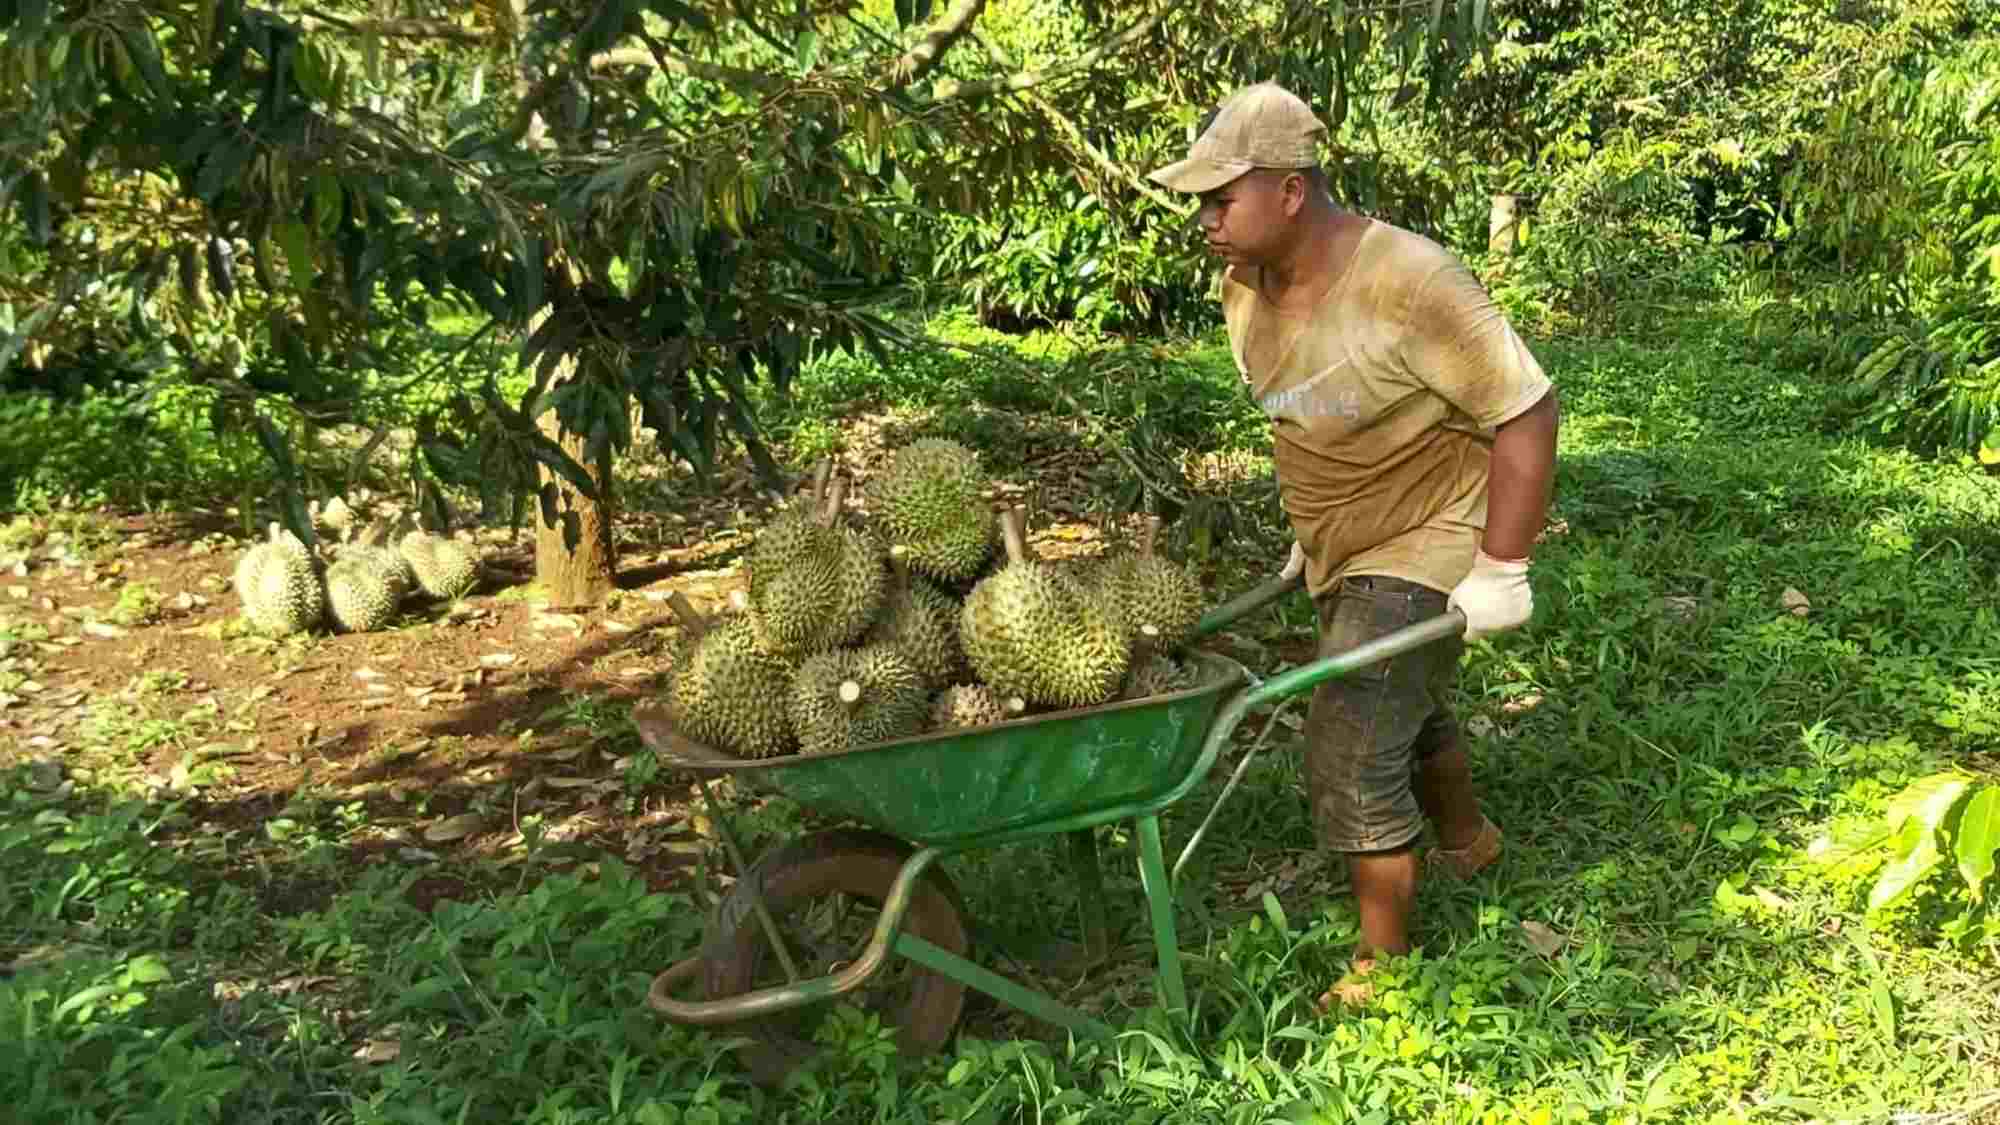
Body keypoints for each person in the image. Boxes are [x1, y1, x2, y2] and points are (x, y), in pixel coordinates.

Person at [1147, 82, 1560, 1008]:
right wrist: (1311, 528)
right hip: (1341, 539)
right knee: (1397, 703)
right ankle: (1467, 841)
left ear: (1292, 191)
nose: (1205, 219)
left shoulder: (1411, 283)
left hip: (1428, 534)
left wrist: (1501, 565)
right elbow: (1303, 414)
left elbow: (1527, 409)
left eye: (1223, 199)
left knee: (1348, 738)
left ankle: (1385, 967)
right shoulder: (1243, 288)